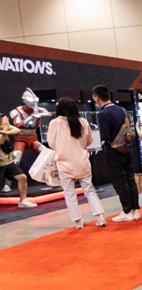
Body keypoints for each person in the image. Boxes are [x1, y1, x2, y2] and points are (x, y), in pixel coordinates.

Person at [47, 98, 107, 229]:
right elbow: (89, 140)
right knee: (90, 191)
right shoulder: (83, 121)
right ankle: (100, 217)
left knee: (69, 194)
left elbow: (51, 143)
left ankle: (78, 221)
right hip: (82, 162)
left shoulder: (54, 123)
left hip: (64, 163)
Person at [93, 84, 140, 222]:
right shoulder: (122, 110)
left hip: (114, 151)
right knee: (130, 178)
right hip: (127, 148)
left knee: (120, 181)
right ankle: (136, 209)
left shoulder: (103, 114)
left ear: (96, 97)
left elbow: (105, 135)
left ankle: (127, 210)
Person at [0, 114, 37, 208]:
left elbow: (17, 130)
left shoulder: (5, 126)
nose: (4, 120)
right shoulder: (4, 127)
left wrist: (5, 128)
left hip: (8, 160)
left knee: (22, 177)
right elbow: (1, 141)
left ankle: (23, 200)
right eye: (2, 118)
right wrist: (5, 130)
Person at [8, 88, 50, 165]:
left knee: (47, 154)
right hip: (21, 138)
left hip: (33, 138)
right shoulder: (16, 111)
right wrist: (33, 116)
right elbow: (20, 124)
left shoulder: (38, 110)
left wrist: (38, 112)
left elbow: (49, 114)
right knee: (15, 161)